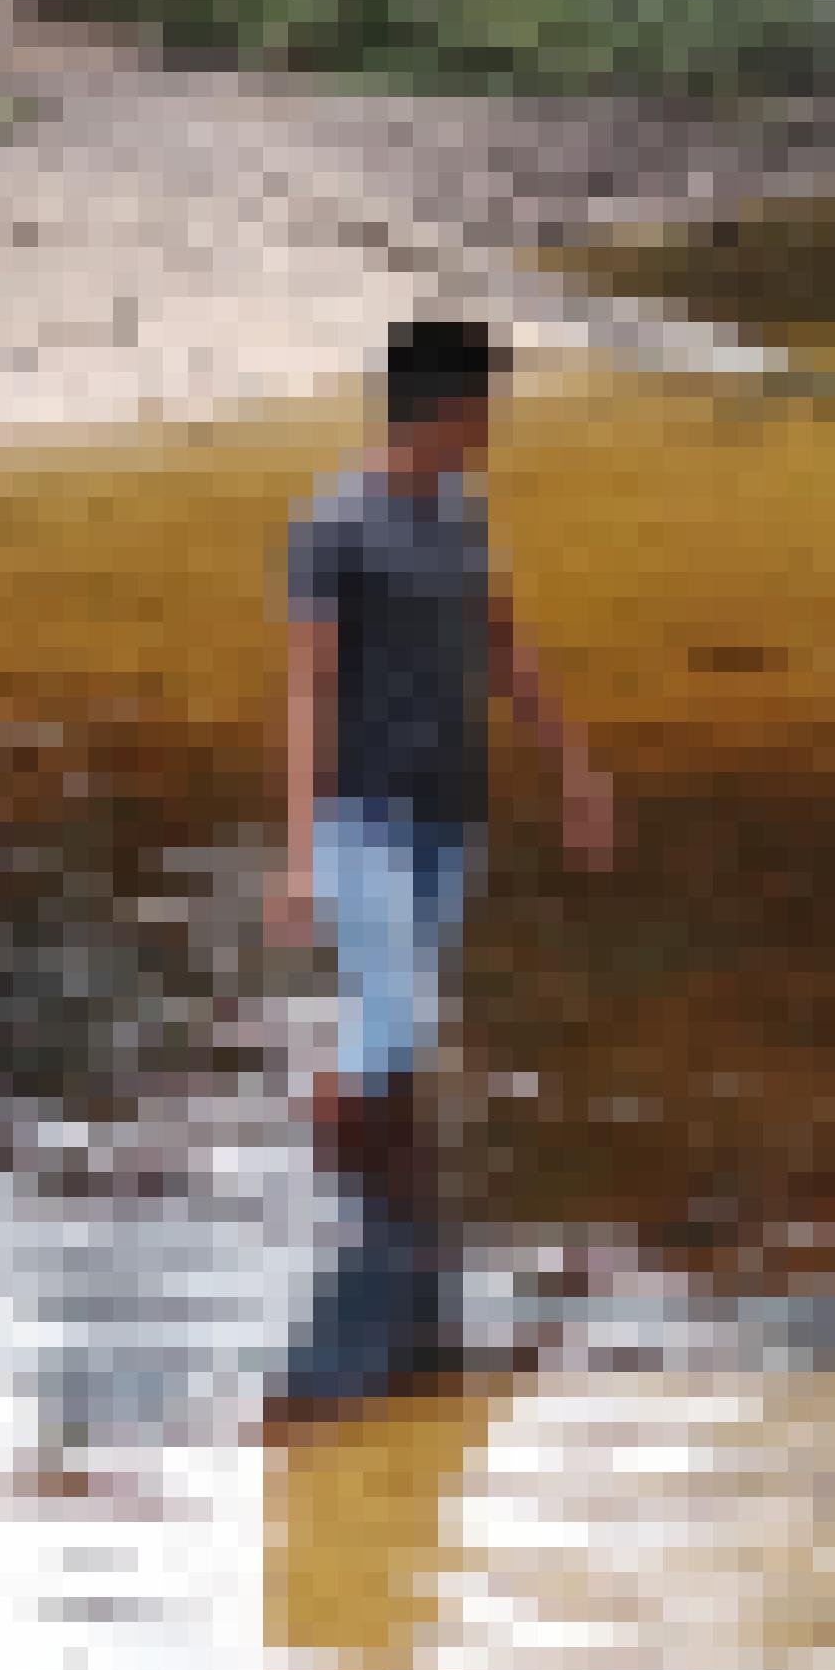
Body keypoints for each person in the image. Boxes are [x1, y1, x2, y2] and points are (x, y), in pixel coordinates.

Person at [264, 316, 618, 1422]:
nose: (489, 427)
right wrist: (294, 848)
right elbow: (308, 689)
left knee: (405, 1021)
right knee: (393, 1017)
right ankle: (351, 1210)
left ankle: (398, 1220)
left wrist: (572, 767)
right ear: (438, 411)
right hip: (359, 815)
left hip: (447, 813)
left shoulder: (460, 518)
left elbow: (505, 648)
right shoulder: (331, 527)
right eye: (481, 408)